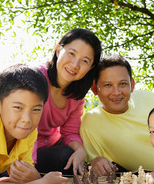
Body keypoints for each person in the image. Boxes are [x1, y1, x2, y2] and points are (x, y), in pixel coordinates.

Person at [33, 28, 102, 176]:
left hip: (46, 150)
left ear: (91, 68)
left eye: (85, 61)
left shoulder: (76, 97)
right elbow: (23, 128)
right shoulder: (35, 79)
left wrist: (80, 150)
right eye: (71, 53)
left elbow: (69, 132)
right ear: (58, 50)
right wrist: (28, 166)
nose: (75, 65)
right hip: (19, 149)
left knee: (69, 156)